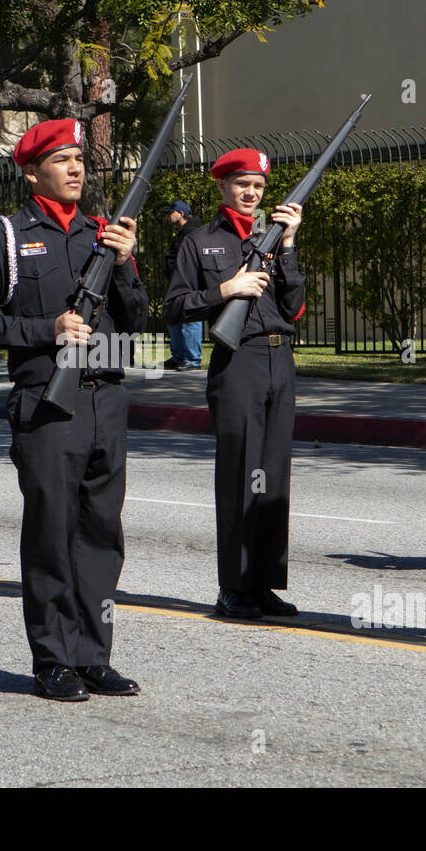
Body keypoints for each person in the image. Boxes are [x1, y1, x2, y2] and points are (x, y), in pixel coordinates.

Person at [0, 117, 147, 701]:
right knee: (52, 534)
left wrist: (125, 264)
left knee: (101, 535)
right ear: (34, 170)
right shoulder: (9, 236)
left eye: (79, 159)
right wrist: (48, 328)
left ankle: (94, 656)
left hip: (105, 401)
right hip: (46, 402)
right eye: (61, 159)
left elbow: (136, 321)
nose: (75, 168)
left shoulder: (103, 233)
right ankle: (53, 659)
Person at [164, 148, 306, 620]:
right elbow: (176, 305)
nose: (251, 193)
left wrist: (288, 245)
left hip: (279, 359)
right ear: (222, 186)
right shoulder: (199, 240)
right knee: (241, 475)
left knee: (273, 477)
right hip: (237, 360)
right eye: (242, 184)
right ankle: (234, 588)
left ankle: (264, 583)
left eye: (259, 187)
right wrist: (225, 291)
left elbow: (294, 305)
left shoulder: (273, 237)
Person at [163, 200, 203, 370]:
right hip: (177, 281)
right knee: (175, 316)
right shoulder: (181, 232)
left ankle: (192, 359)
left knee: (190, 317)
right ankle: (178, 355)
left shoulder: (192, 232)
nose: (168, 215)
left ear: (182, 213)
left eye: (171, 212)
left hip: (188, 281)